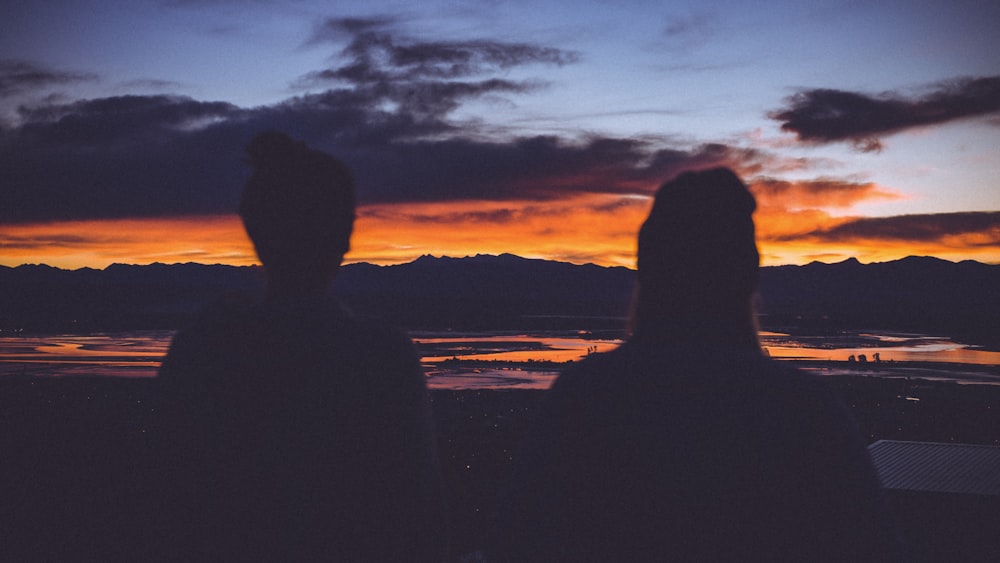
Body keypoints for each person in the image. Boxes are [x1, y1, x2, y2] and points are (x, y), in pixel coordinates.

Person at [489, 168, 904, 562]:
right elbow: (871, 547)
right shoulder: (805, 408)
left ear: (647, 274)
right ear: (749, 279)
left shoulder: (584, 396)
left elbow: (512, 542)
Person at [157, 131, 448, 562]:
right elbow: (417, 524)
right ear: (345, 238)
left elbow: (169, 510)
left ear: (254, 229)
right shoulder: (380, 359)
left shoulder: (199, 352)